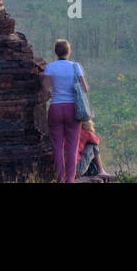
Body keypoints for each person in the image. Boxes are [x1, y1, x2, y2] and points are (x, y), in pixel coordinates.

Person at [42, 39, 89, 183]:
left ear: (56, 52)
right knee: (72, 147)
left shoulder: (50, 67)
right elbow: (85, 89)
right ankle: (70, 180)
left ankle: (59, 179)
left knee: (57, 146)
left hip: (56, 107)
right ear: (69, 52)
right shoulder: (75, 67)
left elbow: (45, 87)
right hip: (72, 109)